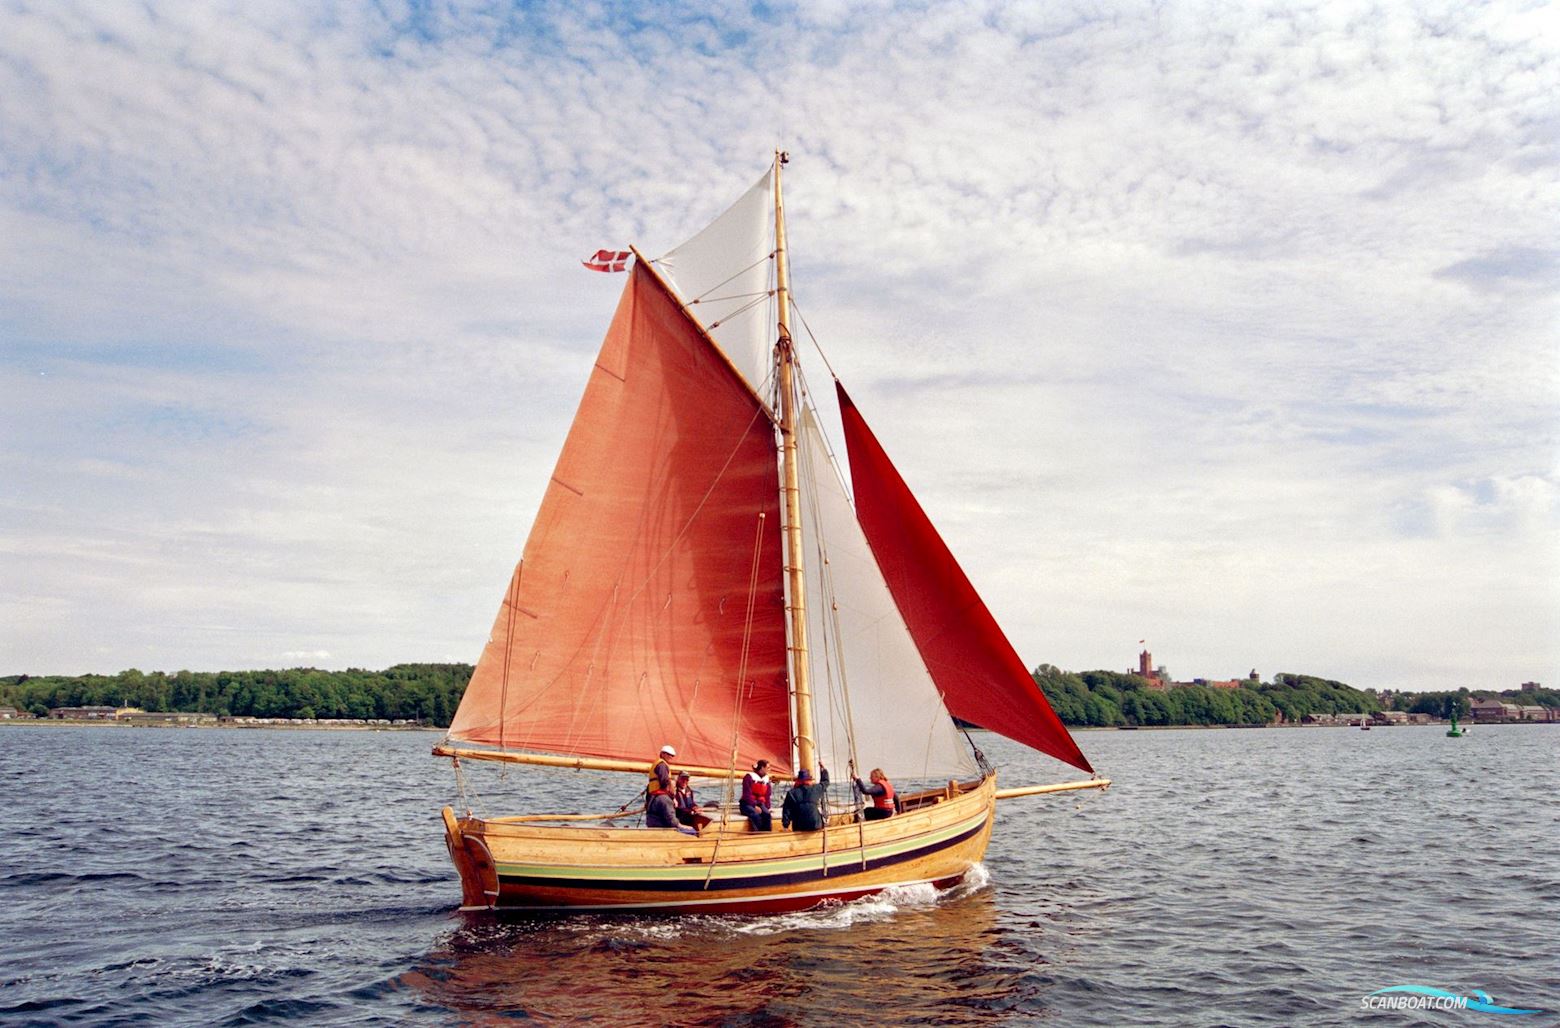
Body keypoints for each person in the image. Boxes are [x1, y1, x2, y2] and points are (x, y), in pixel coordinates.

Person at [782, 764, 829, 832]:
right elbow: (826, 782)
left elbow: (786, 810)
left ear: (798, 780)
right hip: (815, 825)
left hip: (799, 827)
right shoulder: (816, 788)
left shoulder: (791, 793)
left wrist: (785, 825)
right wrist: (823, 770)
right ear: (809, 779)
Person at [740, 759, 773, 831]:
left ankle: (767, 834)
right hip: (747, 804)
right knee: (755, 815)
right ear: (762, 768)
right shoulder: (749, 777)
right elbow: (746, 795)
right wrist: (754, 806)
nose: (769, 770)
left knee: (767, 815)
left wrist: (767, 808)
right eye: (768, 768)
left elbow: (767, 796)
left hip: (760, 803)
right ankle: (757, 834)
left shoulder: (766, 780)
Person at [645, 744, 675, 810]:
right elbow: (664, 781)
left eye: (672, 755)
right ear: (662, 754)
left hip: (653, 796)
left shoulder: (657, 763)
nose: (671, 757)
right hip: (660, 797)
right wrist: (672, 797)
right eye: (669, 754)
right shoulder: (662, 765)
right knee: (669, 817)